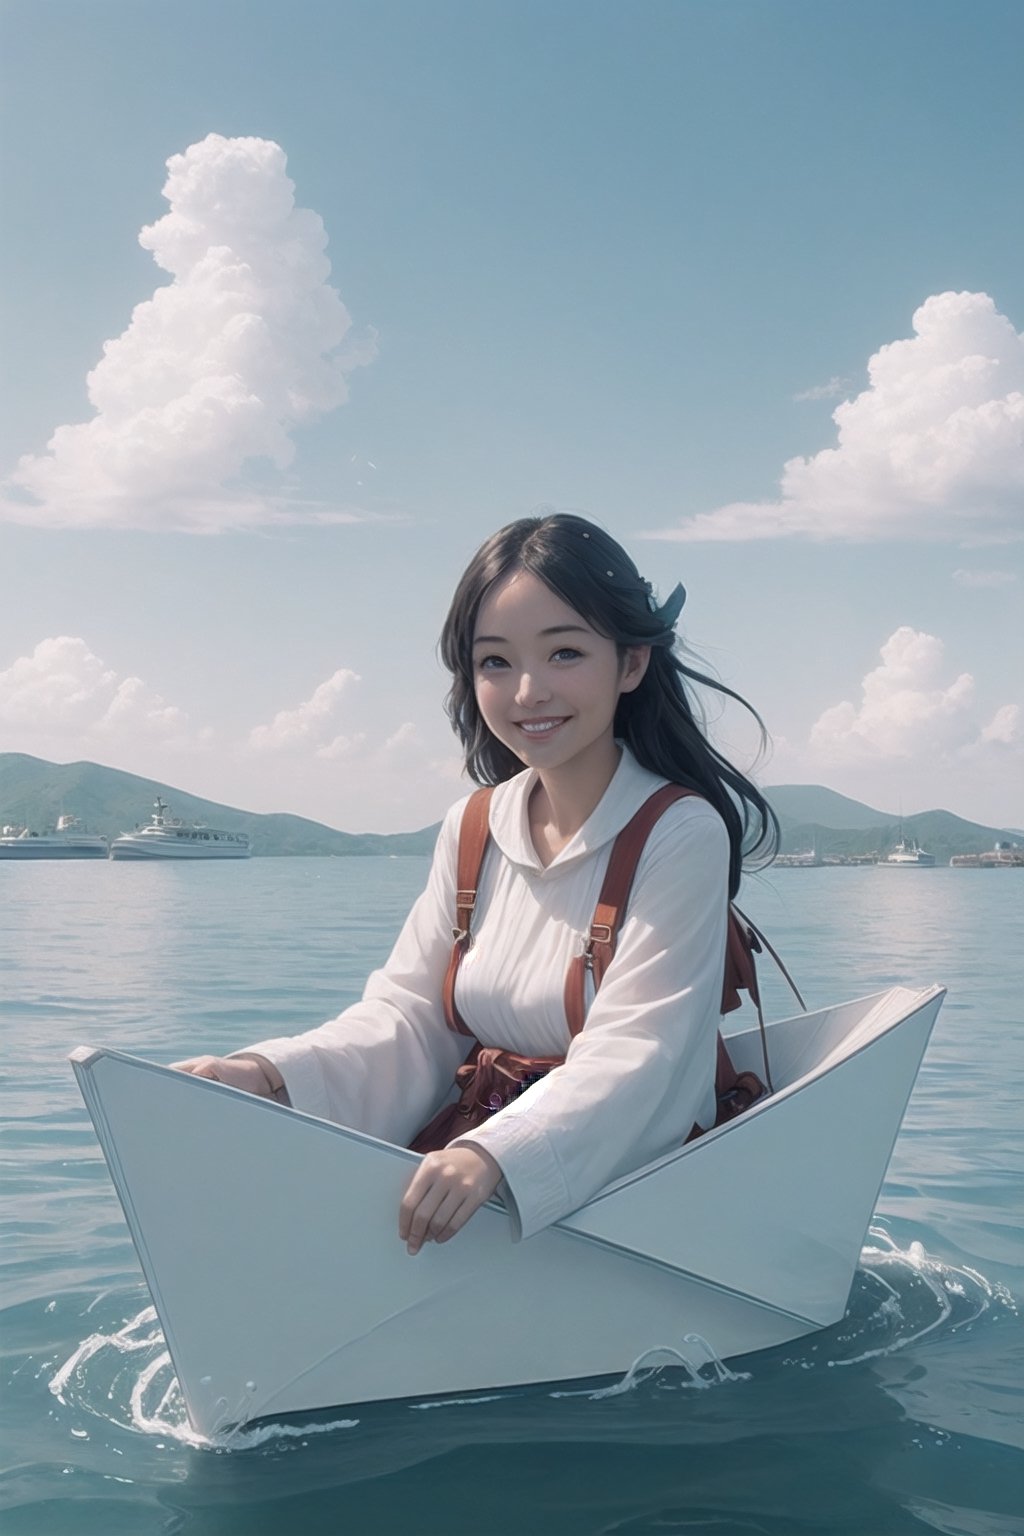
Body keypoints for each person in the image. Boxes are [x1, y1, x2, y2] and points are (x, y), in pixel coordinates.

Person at [174, 513, 777, 1257]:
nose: (528, 691)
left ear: (631, 664)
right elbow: (409, 1020)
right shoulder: (472, 826)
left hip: (624, 1183)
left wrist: (500, 1152)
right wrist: (271, 1074)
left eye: (564, 652)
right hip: (482, 1162)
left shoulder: (679, 830)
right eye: (495, 662)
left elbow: (641, 1051)